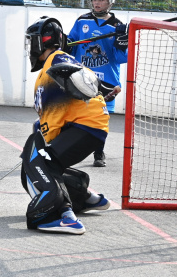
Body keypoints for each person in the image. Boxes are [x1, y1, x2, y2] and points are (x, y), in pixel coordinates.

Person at [21, 16, 113, 235]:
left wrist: (41, 143)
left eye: (31, 42)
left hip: (85, 127)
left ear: (40, 43)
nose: (30, 48)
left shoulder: (52, 67)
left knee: (37, 160)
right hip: (90, 126)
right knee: (41, 158)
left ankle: (63, 215)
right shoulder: (62, 59)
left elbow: (52, 119)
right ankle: (84, 197)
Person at [66, 0, 127, 167]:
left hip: (106, 82)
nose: (97, 3)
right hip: (81, 78)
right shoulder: (82, 21)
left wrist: (121, 42)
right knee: (74, 117)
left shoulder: (117, 27)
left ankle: (98, 153)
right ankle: (67, 150)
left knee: (101, 119)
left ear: (110, 0)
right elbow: (70, 47)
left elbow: (120, 58)